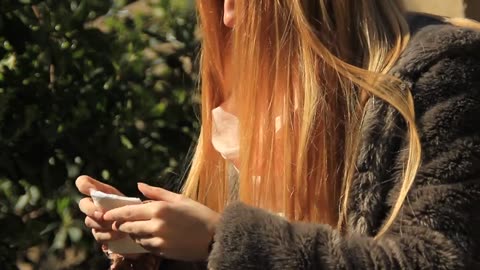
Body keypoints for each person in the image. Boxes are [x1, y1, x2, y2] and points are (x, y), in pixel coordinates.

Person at [76, 0, 480, 269]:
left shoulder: (442, 70)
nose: (229, 17)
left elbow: (434, 259)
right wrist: (160, 250)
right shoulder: (269, 95)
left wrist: (220, 238)